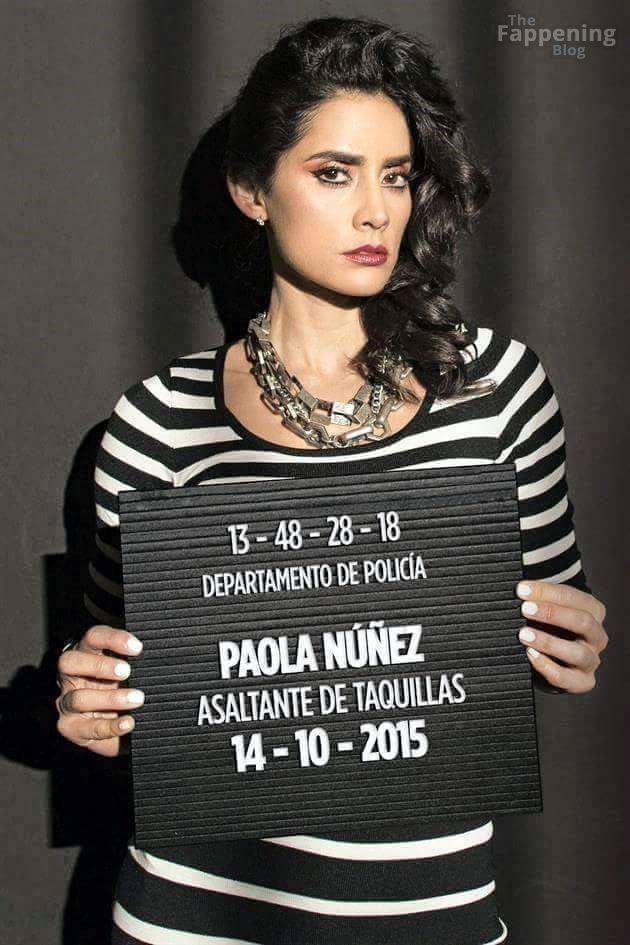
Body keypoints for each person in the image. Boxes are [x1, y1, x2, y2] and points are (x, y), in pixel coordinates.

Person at [54, 15, 608, 945]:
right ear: (251, 190)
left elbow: (535, 639)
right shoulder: (156, 420)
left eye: (396, 175)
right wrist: (92, 702)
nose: (376, 211)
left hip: (431, 916)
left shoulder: (499, 386)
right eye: (334, 172)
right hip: (197, 920)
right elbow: (134, 678)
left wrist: (571, 648)